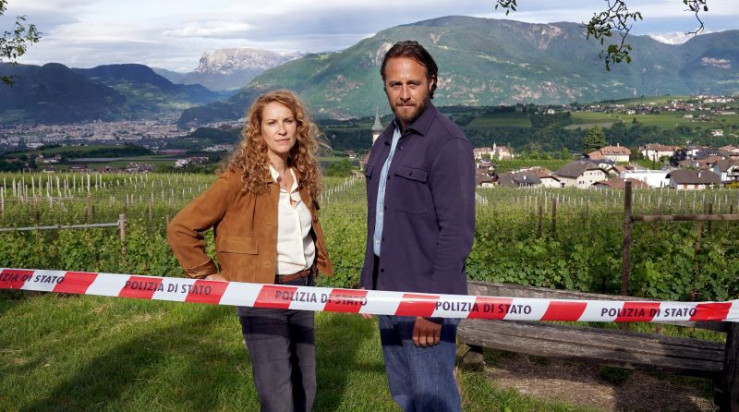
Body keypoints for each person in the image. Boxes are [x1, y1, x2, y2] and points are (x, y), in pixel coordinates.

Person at [167, 89, 332, 412]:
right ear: (258, 131)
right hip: (260, 291)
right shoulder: (238, 179)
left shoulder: (302, 175)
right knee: (277, 391)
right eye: (272, 123)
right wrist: (207, 274)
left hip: (303, 288)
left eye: (288, 121)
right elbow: (181, 228)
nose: (281, 130)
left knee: (305, 384)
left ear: (299, 127)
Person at [360, 40, 476, 411]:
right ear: (385, 87)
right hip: (387, 290)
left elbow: (456, 233)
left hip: (424, 297)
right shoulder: (386, 141)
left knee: (433, 398)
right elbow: (379, 218)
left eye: (414, 83)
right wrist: (368, 282)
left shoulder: (447, 143)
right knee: (405, 395)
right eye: (396, 84)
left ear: (432, 83)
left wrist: (433, 308)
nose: (405, 93)